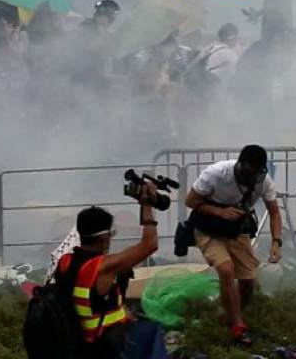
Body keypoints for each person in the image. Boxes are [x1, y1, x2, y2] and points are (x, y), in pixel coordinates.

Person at [185, 145, 282, 345]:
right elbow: (191, 200)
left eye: (257, 172)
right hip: (208, 228)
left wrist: (276, 242)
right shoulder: (216, 174)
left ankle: (228, 316)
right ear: (241, 165)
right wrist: (220, 212)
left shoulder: (264, 181)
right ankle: (238, 326)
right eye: (249, 171)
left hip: (237, 231)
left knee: (248, 281)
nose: (253, 176)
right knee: (226, 269)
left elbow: (274, 212)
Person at [52, 198, 166, 358]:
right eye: (111, 234)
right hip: (104, 344)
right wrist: (146, 204)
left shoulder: (65, 261)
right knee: (151, 333)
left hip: (76, 341)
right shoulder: (103, 267)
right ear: (102, 238)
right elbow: (150, 244)